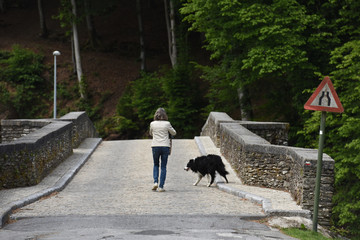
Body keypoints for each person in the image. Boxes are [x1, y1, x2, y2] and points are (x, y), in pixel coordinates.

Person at [149, 108, 176, 192]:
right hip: (165, 146)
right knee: (163, 166)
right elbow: (174, 133)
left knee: (156, 164)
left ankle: (155, 182)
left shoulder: (152, 124)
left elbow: (151, 133)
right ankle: (161, 187)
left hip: (155, 146)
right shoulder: (167, 124)